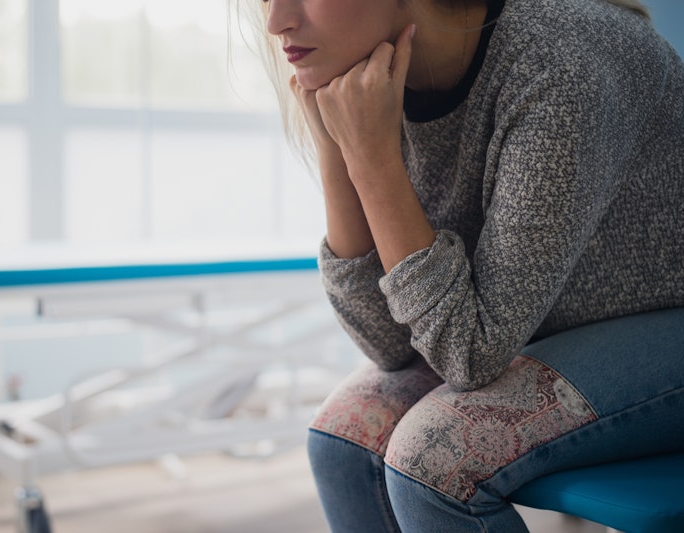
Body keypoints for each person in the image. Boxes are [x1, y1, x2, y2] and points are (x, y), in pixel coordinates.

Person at [240, 0, 684, 531]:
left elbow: (470, 355)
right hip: (549, 334)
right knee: (345, 438)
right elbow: (391, 345)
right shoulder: (373, 83)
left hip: (669, 323)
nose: (276, 22)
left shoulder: (564, 62)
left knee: (433, 460)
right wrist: (340, 152)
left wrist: (373, 158)